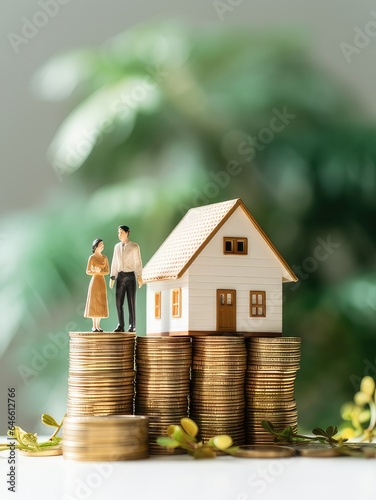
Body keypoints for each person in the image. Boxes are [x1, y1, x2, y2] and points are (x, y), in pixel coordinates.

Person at [110, 225, 143, 332]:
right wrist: (112, 276)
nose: (119, 235)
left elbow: (138, 262)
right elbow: (114, 262)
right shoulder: (116, 247)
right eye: (118, 233)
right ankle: (121, 324)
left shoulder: (134, 247)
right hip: (120, 276)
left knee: (131, 302)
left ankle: (132, 325)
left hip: (130, 276)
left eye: (122, 233)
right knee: (119, 303)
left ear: (127, 233)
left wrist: (139, 276)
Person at [84, 238, 109, 332]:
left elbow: (107, 271)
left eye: (103, 244)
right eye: (100, 244)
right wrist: (95, 271)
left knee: (100, 302)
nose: (102, 246)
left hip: (101, 281)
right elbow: (88, 271)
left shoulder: (104, 258)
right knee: (94, 302)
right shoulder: (92, 258)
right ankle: (94, 325)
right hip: (94, 281)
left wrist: (100, 271)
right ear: (96, 246)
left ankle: (98, 325)